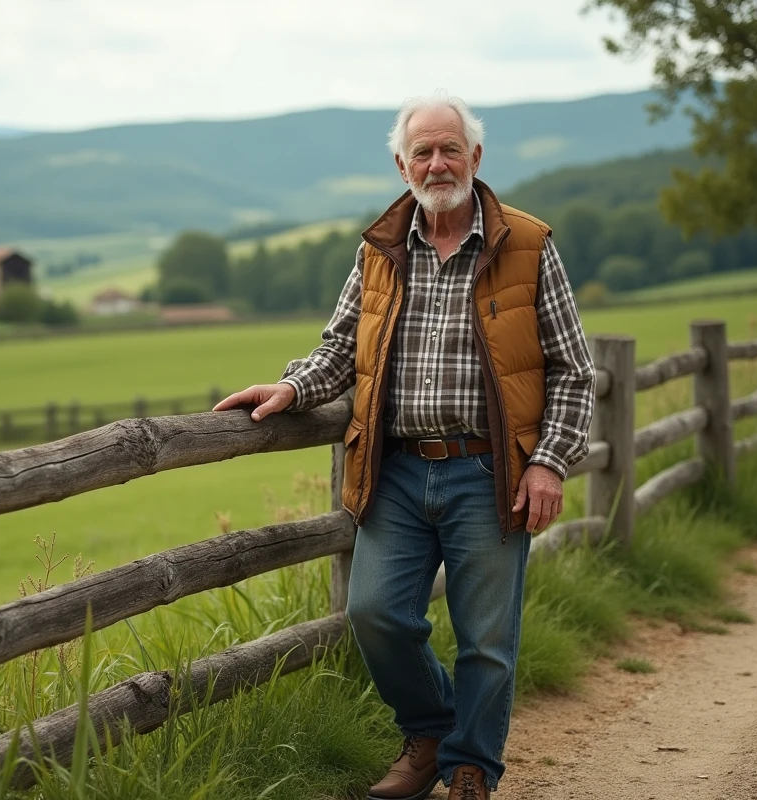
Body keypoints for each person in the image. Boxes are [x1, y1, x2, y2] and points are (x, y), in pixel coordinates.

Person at [213, 92, 597, 799]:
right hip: (394, 470)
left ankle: (471, 769)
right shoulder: (379, 250)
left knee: (486, 638)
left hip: (492, 470)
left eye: (450, 148)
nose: (437, 162)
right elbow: (339, 349)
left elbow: (573, 370)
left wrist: (549, 460)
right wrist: (291, 390)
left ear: (476, 157)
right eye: (422, 150)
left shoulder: (530, 245)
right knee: (376, 615)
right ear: (401, 164)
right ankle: (431, 732)